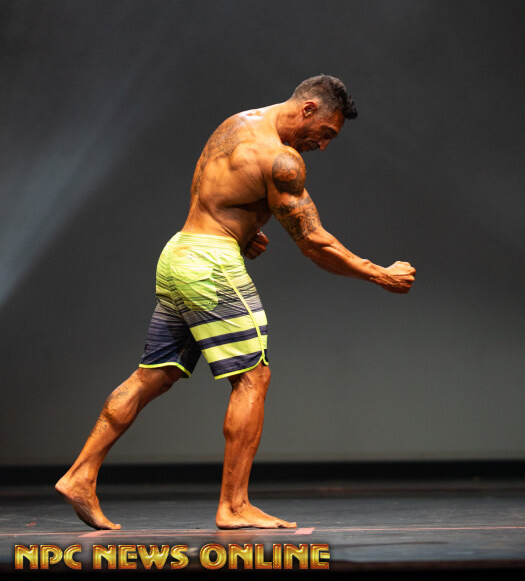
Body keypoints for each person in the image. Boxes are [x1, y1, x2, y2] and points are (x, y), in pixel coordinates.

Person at [56, 74, 415, 530]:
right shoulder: (282, 160)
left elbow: (213, 195)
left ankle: (80, 475)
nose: (322, 146)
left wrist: (240, 234)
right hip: (211, 267)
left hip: (178, 254)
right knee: (253, 377)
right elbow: (314, 242)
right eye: (325, 133)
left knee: (153, 376)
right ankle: (234, 505)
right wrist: (378, 273)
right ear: (308, 109)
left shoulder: (236, 124)